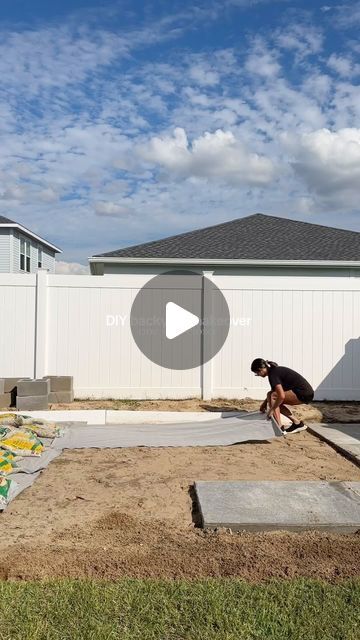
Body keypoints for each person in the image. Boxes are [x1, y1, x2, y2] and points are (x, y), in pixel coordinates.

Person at [250, 358, 314, 434]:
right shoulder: (274, 371)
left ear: (261, 369)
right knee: (272, 396)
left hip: (304, 393)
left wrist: (272, 410)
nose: (258, 375)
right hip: (305, 393)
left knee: (274, 397)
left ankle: (279, 427)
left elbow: (281, 396)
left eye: (257, 373)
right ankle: (297, 423)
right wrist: (264, 404)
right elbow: (274, 393)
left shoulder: (273, 374)